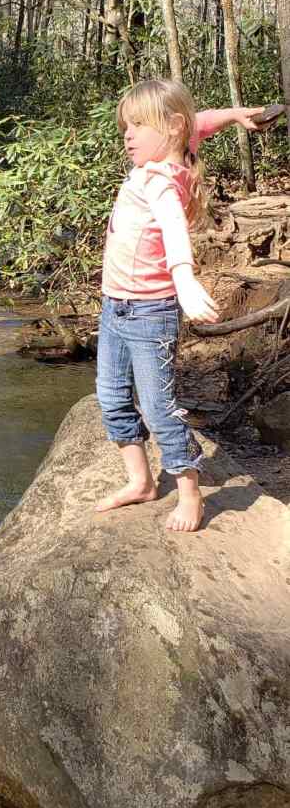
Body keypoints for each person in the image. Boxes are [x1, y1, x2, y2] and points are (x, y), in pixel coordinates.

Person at [95, 80, 265, 533]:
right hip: (115, 307)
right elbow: (199, 124)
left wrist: (185, 280)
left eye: (136, 126)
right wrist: (232, 114)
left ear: (170, 128)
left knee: (157, 406)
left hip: (149, 313)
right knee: (111, 397)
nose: (127, 135)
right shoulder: (174, 151)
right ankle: (141, 481)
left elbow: (174, 229)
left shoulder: (161, 181)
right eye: (125, 126)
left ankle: (189, 492)